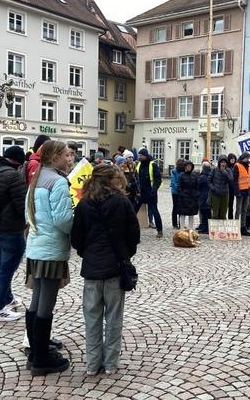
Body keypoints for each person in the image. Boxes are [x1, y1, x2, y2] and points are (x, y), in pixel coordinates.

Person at [71, 165, 140, 376]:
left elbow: (76, 239)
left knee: (92, 318)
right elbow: (133, 235)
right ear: (112, 180)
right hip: (115, 267)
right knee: (113, 317)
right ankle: (110, 362)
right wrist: (124, 253)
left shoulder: (84, 204)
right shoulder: (122, 202)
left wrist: (88, 253)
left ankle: (92, 364)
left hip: (92, 269)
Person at [24, 140, 73, 376]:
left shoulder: (37, 176)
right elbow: (63, 220)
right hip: (51, 250)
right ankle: (42, 359)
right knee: (46, 304)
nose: (70, 158)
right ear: (55, 157)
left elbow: (28, 212)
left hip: (36, 247)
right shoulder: (58, 181)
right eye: (66, 155)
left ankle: (35, 352)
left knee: (36, 301)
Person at [0, 145, 28, 322]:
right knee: (7, 268)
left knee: (2, 264)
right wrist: (28, 222)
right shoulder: (13, 176)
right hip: (11, 229)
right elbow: (22, 206)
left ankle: (7, 298)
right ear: (18, 161)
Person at [135, 148, 163, 238]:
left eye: (141, 156)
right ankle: (129, 229)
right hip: (140, 193)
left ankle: (159, 230)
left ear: (145, 156)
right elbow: (136, 178)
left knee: (155, 211)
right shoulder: (139, 164)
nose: (139, 157)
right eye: (139, 155)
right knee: (133, 210)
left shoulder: (153, 164)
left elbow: (158, 179)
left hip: (150, 192)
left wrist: (154, 190)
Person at [232, 152, 250, 236]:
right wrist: (237, 191)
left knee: (244, 210)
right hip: (240, 191)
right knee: (238, 210)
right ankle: (236, 227)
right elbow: (235, 180)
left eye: (249, 158)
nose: (248, 159)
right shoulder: (237, 165)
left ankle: (243, 226)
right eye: (247, 157)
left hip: (247, 190)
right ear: (243, 157)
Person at [208, 155, 233, 219]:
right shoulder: (214, 170)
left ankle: (222, 228)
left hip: (225, 194)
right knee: (215, 214)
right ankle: (214, 228)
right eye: (222, 162)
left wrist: (224, 172)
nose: (223, 164)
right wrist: (213, 188)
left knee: (223, 214)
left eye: (224, 162)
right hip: (215, 194)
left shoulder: (228, 170)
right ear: (219, 163)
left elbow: (231, 180)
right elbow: (209, 181)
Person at [176, 160, 199, 230]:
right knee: (182, 214)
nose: (189, 167)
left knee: (191, 214)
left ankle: (191, 229)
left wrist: (196, 194)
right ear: (185, 167)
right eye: (187, 166)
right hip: (183, 197)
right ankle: (182, 229)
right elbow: (179, 186)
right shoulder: (181, 175)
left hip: (192, 197)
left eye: (190, 166)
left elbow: (197, 186)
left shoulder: (194, 175)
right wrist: (182, 194)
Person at [197, 161, 212, 234]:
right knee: (208, 213)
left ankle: (204, 228)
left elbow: (198, 187)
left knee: (203, 213)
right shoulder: (211, 175)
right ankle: (208, 227)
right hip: (210, 196)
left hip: (203, 197)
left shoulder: (202, 177)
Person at [170, 159, 185, 229]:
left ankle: (181, 223)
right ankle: (174, 223)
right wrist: (179, 189)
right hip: (175, 192)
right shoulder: (174, 171)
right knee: (175, 207)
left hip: (182, 192)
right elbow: (173, 182)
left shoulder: (184, 171)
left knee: (181, 208)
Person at [227, 153, 237, 219]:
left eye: (234, 158)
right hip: (227, 188)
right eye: (231, 158)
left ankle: (230, 218)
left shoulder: (236, 167)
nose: (233, 160)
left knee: (231, 205)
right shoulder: (227, 167)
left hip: (233, 189)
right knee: (225, 205)